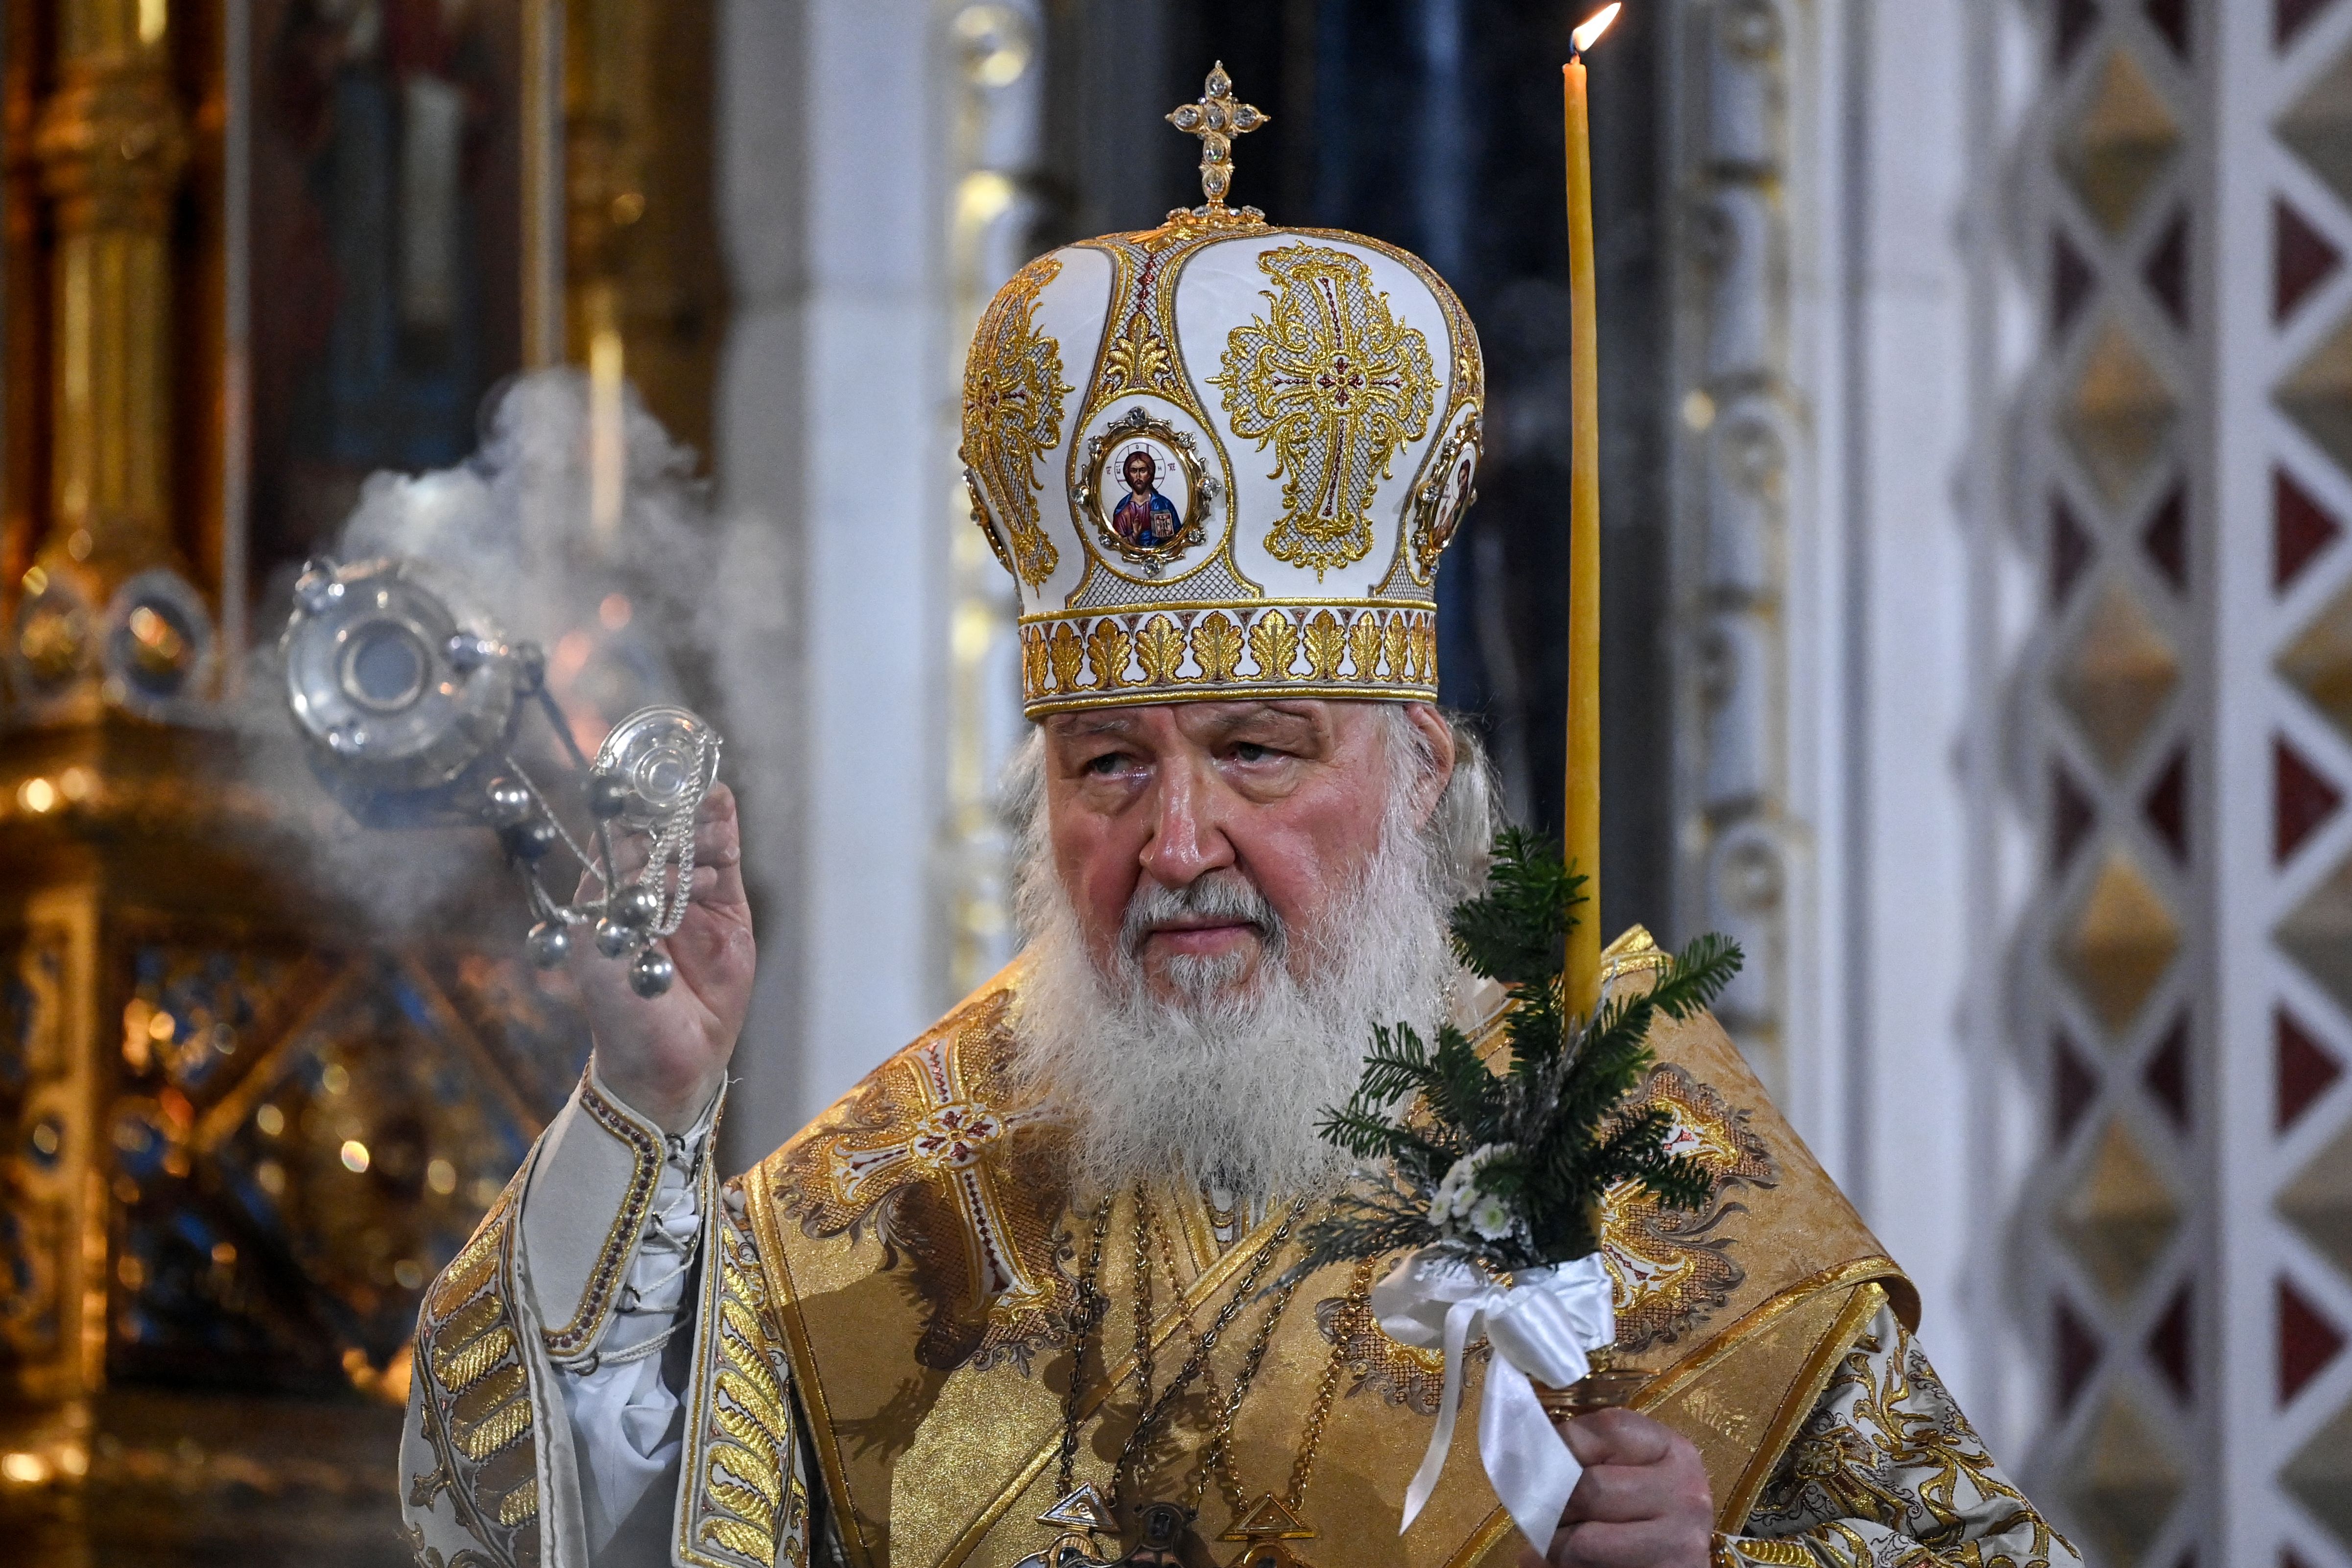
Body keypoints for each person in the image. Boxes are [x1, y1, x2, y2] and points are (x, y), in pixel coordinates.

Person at [399, 83, 2077, 1568]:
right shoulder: (907, 1203)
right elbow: (539, 1524)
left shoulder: (1638, 1152)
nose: (1178, 840)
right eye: (1107, 767)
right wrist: (647, 1108)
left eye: (1259, 752)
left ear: (1420, 771)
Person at [1110, 449, 1180, 548]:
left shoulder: (1164, 504)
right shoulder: (1122, 510)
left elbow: (1179, 536)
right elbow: (1117, 545)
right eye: (1134, 471)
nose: (1138, 476)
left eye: (1143, 471)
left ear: (1150, 474)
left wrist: (1168, 538)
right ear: (1128, 475)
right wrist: (1134, 535)